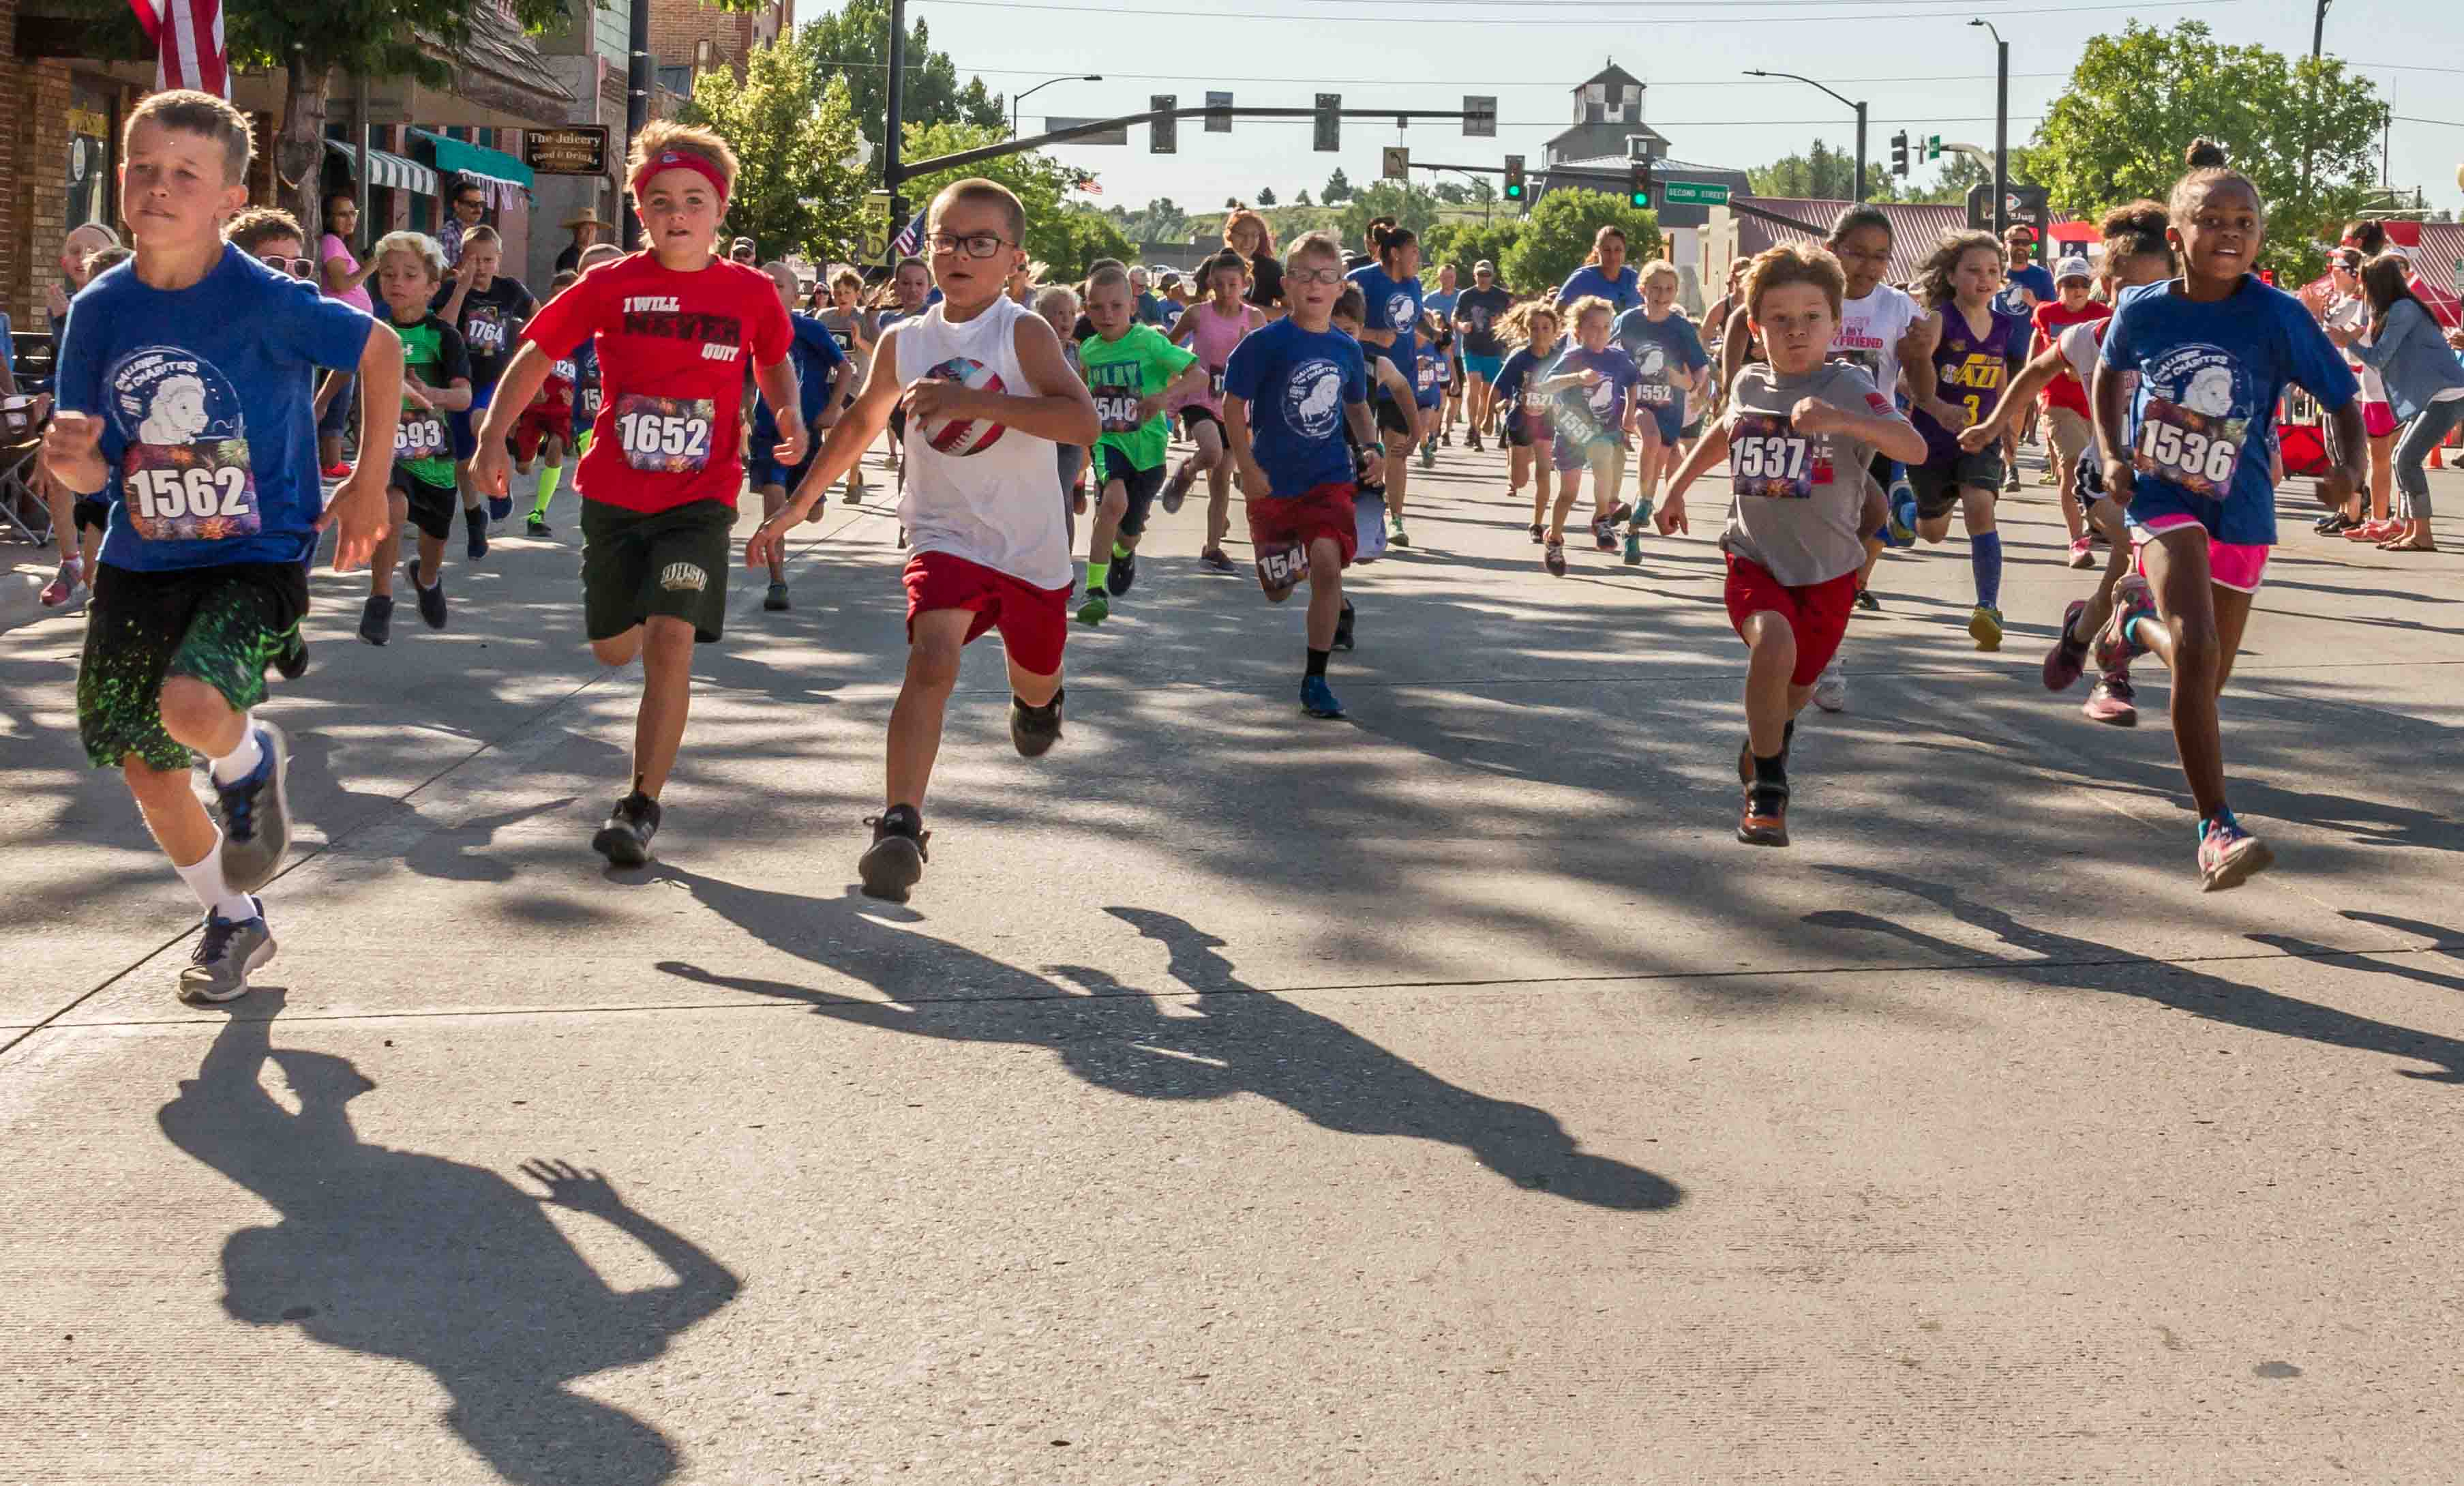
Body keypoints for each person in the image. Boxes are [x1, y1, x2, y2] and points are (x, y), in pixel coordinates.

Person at [44, 89, 400, 1003]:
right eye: (146, 171)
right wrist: (76, 461)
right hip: (141, 558)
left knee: (194, 704)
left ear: (228, 199)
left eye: (185, 176)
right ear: (123, 179)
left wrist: (364, 481)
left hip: (256, 549)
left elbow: (382, 349)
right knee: (146, 763)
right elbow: (93, 471)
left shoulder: (266, 299)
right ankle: (233, 920)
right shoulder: (101, 309)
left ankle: (248, 764)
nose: (161, 188)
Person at [747, 177, 1097, 902]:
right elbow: (858, 425)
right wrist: (796, 507)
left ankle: (1039, 703)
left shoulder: (1021, 331)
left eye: (980, 242)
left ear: (1013, 260)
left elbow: (1081, 423)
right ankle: (900, 825)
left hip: (1030, 548)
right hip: (944, 535)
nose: (959, 253)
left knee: (1035, 675)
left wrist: (972, 400)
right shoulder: (905, 340)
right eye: (946, 239)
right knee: (930, 657)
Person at [474, 121, 800, 868]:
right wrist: (493, 435)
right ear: (639, 211)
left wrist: (786, 411)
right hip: (615, 497)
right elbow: (535, 353)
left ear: (719, 211)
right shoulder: (610, 286)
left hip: (701, 498)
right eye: (660, 201)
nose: (676, 213)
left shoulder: (748, 293)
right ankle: (626, 678)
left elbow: (775, 361)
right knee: (614, 648)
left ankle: (640, 803)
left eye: (693, 200)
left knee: (669, 640)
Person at [2092, 158, 2364, 889]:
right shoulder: (2143, 308)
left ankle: (2126, 627)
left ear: (2258, 238)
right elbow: (2107, 373)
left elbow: (2339, 398)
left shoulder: (2278, 314)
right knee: (2198, 644)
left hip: (2241, 502)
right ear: (2176, 235)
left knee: (2205, 674)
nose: (2228, 233)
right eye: (2210, 221)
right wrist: (2116, 453)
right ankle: (2215, 826)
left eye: (2243, 223)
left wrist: (2351, 476)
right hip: (2162, 495)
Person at [1657, 241, 1924, 847]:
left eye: (1811, 317)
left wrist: (1842, 421)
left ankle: (1763, 743)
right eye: (1780, 319)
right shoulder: (1750, 380)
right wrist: (1675, 486)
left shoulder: (1850, 384)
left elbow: (1914, 448)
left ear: (1835, 323)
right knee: (1770, 642)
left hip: (1829, 572)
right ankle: (1769, 791)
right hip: (1754, 556)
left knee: (1796, 689)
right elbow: (1725, 431)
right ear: (1755, 328)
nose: (1796, 330)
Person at [1962, 200, 2175, 728]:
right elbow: (2033, 373)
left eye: (2159, 291)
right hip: (2101, 475)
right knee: (2136, 554)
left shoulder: (2185, 343)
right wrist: (1993, 427)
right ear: (2108, 286)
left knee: (2120, 580)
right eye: (2130, 291)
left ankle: (2081, 631)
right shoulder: (2089, 338)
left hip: (2167, 479)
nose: (2144, 303)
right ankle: (2113, 673)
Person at [1224, 229, 1381, 719]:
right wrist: (1247, 466)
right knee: (1277, 590)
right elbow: (1233, 406)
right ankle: (1297, 560)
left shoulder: (1346, 349)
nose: (1316, 284)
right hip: (1272, 481)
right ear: (1287, 284)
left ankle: (1315, 679)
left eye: (1327, 276)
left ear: (1340, 288)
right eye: (1305, 275)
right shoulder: (1265, 343)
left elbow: (1356, 407)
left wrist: (1373, 445)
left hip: (1328, 476)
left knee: (1328, 563)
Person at [1898, 228, 2024, 650]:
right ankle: (1905, 511)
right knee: (1931, 530)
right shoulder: (1938, 320)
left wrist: (2006, 425)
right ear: (1952, 276)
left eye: (1993, 271)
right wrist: (1936, 407)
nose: (1984, 279)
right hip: (1931, 441)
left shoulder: (2004, 326)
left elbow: (2002, 380)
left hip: (1979, 436)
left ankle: (1987, 606)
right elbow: (1906, 378)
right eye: (1973, 270)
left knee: (1979, 507)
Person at [1817, 205, 1929, 670]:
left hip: (1872, 437)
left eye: (1880, 256)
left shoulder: (1897, 307)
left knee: (1872, 523)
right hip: (1815, 438)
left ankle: (1831, 622)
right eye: (1857, 253)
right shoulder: (1809, 294)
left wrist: (1922, 360)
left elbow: (1922, 377)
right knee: (1829, 539)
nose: (1867, 265)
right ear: (1832, 250)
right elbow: (1749, 321)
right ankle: (1824, 649)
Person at [1073, 262, 1205, 625]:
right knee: (1112, 503)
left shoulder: (1148, 341)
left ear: (1133, 305)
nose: (1106, 314)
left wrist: (1164, 398)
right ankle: (1094, 590)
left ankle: (1122, 552)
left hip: (1148, 450)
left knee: (1130, 530)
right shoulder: (1089, 351)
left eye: (1116, 306)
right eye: (1096, 307)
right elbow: (1088, 393)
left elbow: (1199, 375)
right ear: (1087, 309)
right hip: (1109, 444)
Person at [357, 230, 470, 647]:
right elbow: (341, 369)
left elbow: (463, 397)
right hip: (386, 449)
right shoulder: (372, 330)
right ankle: (380, 597)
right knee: (392, 506)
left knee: (435, 537)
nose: (397, 284)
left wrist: (430, 395)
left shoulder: (445, 337)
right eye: (388, 275)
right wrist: (317, 406)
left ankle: (426, 578)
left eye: (409, 275)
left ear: (432, 287)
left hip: (435, 453)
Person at [2325, 252, 2464, 553]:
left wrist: (2347, 341)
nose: (2365, 293)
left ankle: (2423, 534)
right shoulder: (2401, 308)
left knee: (2406, 459)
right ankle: (2413, 530)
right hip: (2434, 394)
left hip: (2446, 394)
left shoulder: (2402, 310)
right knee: (2402, 455)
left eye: (2367, 285)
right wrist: (2355, 339)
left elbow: (2378, 359)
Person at [748, 260, 849, 610]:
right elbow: (743, 378)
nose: (770, 290)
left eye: (778, 284)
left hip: (807, 435)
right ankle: (777, 583)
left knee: (812, 512)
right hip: (768, 436)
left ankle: (811, 501)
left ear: (795, 292)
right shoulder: (751, 331)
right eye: (764, 283)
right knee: (774, 509)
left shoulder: (810, 330)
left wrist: (833, 407)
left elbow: (845, 367)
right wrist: (742, 414)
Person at [35, 222, 124, 610]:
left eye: (90, 251)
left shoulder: (127, 300)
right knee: (59, 480)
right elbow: (68, 366)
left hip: (115, 435)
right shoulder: (70, 304)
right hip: (74, 415)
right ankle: (70, 563)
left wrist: (65, 321)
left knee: (104, 552)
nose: (81, 259)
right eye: (74, 250)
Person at [432, 224, 535, 548]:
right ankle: (475, 515)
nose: (481, 268)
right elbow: (443, 329)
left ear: (499, 260)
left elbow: (540, 315)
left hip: (495, 379)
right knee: (463, 460)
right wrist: (461, 290)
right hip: (459, 379)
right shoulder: (451, 290)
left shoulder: (510, 290)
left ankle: (501, 489)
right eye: (475, 260)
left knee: (483, 424)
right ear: (463, 259)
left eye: (488, 260)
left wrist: (531, 349)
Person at [1165, 250, 1267, 574]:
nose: (1225, 291)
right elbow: (1167, 347)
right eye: (1220, 284)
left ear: (1245, 284)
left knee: (1222, 479)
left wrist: (1250, 347)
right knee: (1209, 454)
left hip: (1234, 405)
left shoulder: (1254, 320)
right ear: (1210, 282)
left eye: (1232, 284)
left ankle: (1212, 548)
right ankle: (1186, 472)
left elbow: (1266, 364)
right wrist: (1175, 377)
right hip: (1200, 397)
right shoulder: (1197, 314)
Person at [1610, 258, 1711, 561]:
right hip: (1636, 401)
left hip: (1670, 406)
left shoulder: (1680, 327)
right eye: (1655, 288)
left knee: (1655, 466)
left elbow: (1701, 372)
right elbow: (1610, 356)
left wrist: (1688, 383)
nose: (1662, 294)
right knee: (1650, 439)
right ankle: (1645, 502)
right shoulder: (1628, 321)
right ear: (1643, 289)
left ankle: (1633, 532)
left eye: (1668, 289)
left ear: (1676, 293)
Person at [1532, 295, 1641, 570]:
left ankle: (1602, 518)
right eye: (1593, 327)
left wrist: (1630, 412)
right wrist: (1577, 378)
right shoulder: (1573, 357)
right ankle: (1554, 539)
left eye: (1606, 327)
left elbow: (1632, 381)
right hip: (1572, 433)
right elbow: (1545, 386)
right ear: (1578, 330)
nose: (1599, 333)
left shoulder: (1617, 358)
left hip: (1603, 431)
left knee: (1604, 457)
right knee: (1568, 494)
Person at [2029, 256, 2113, 567]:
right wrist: (2028, 391)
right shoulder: (2046, 313)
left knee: (2100, 470)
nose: (2077, 290)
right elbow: (2039, 351)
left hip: (2096, 402)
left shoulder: (2104, 314)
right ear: (2058, 286)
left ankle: (2098, 522)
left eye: (2083, 284)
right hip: (2058, 401)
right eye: (2070, 284)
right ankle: (2077, 541)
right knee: (2072, 464)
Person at [2308, 246, 2398, 536]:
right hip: (2350, 385)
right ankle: (2352, 511)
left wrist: (2328, 329)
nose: (2332, 273)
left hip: (2365, 389)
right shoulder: (2351, 302)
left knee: (2369, 454)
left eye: (2338, 268)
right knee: (2339, 449)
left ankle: (2363, 513)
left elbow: (2356, 348)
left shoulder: (2369, 305)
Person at [1349, 224, 1426, 546]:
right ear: (1395, 253)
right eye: (1414, 251)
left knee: (1397, 447)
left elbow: (1415, 321)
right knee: (1360, 451)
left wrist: (1437, 338)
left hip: (1401, 376)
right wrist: (1374, 336)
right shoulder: (1363, 280)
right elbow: (1339, 322)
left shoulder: (1415, 285)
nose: (1418, 258)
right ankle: (1357, 514)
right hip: (1363, 372)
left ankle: (1395, 519)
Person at [314, 192, 378, 479]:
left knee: (343, 391)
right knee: (337, 393)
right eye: (342, 214)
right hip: (340, 328)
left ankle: (332, 458)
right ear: (328, 218)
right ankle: (331, 460)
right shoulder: (330, 242)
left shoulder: (340, 244)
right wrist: (371, 267)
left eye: (353, 213)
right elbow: (341, 284)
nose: (350, 219)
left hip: (349, 329)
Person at [1490, 300, 1562, 548]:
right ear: (1527, 330)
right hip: (1520, 421)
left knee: (1544, 471)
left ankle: (1537, 523)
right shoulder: (1519, 358)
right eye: (1534, 328)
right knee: (1520, 480)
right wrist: (1488, 418)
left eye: (1545, 328)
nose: (1540, 333)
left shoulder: (1560, 359)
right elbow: (1497, 388)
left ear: (1555, 331)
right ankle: (1515, 457)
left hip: (1546, 422)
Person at [1994, 223, 2056, 492]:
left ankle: (2010, 465)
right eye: (2015, 242)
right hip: (1994, 350)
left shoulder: (2041, 277)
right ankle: (2000, 461)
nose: (2021, 247)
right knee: (1995, 407)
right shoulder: (1995, 272)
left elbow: (2055, 313)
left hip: (2025, 350)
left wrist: (2036, 305)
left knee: (2018, 408)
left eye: (2026, 243)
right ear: (2005, 244)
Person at [815, 267, 877, 503]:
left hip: (855, 383)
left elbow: (876, 352)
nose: (842, 297)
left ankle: (852, 481)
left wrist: (859, 339)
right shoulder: (824, 318)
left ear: (857, 293)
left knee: (849, 433)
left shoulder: (864, 318)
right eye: (838, 292)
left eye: (848, 292)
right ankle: (850, 471)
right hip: (829, 380)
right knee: (832, 434)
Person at [1454, 261, 1512, 451]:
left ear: (1493, 275)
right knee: (1474, 385)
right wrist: (1462, 326)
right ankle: (1474, 428)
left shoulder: (1501, 296)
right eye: (1480, 275)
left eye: (1487, 275)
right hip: (1472, 347)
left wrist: (1501, 323)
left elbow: (1512, 319)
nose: (1483, 278)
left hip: (1494, 349)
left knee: (1486, 392)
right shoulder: (1466, 295)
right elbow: (1455, 317)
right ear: (1475, 276)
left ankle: (1477, 426)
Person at [1556, 226, 1642, 315]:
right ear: (1597, 251)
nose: (1612, 256)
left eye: (1618, 250)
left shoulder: (1635, 279)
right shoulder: (1583, 278)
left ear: (1625, 251)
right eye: (1607, 250)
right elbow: (1556, 313)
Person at [1422, 264, 1461, 443]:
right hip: (1430, 351)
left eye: (1451, 277)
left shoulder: (1461, 297)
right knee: (1435, 398)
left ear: (1455, 278)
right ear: (1439, 279)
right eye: (1444, 277)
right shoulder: (1429, 299)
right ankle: (1433, 433)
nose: (1448, 281)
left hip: (1456, 351)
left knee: (1454, 398)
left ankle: (1445, 429)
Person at [1225, 207, 1284, 316]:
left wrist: (1249, 308)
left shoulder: (1270, 268)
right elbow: (1197, 306)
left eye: (1254, 235)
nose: (1248, 241)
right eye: (1242, 235)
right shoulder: (1214, 263)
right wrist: (1185, 299)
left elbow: (1291, 312)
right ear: (1230, 235)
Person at [436, 177, 487, 269]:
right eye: (473, 205)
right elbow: (444, 276)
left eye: (481, 204)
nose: (479, 209)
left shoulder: (483, 233)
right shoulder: (448, 235)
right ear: (457, 206)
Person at [554, 207, 607, 274]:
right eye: (585, 229)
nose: (589, 233)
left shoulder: (598, 256)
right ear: (575, 231)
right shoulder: (568, 258)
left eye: (593, 229)